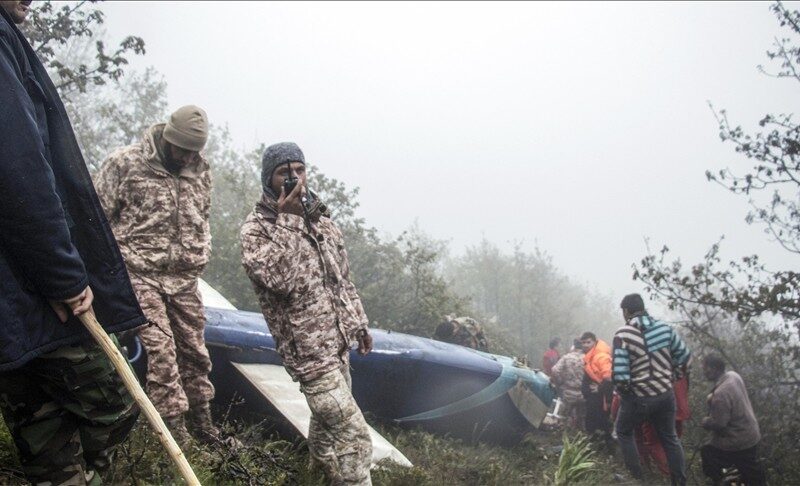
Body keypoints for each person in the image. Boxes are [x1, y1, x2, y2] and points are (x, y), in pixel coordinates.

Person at [0, 1, 146, 483]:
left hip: (15, 309)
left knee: (44, 434)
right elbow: (18, 172)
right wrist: (63, 275)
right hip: (36, 292)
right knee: (116, 404)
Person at [240, 142, 374, 485]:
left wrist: (358, 323)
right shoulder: (257, 229)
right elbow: (279, 280)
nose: (294, 178)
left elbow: (341, 278)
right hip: (308, 354)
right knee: (353, 436)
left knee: (329, 432)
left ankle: (313, 478)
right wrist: (288, 220)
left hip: (337, 344)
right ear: (268, 179)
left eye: (299, 170)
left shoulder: (321, 220)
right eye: (285, 173)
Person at [94, 106, 218, 445]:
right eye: (183, 149)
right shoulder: (125, 164)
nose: (187, 157)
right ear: (168, 138)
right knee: (161, 351)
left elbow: (201, 216)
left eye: (195, 151)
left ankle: (204, 427)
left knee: (195, 352)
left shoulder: (200, 170)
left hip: (184, 280)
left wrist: (200, 250)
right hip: (139, 273)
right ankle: (175, 435)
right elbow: (97, 219)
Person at [612, 293, 690, 485]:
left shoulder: (623, 335)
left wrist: (627, 395)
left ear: (626, 311)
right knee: (670, 438)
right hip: (665, 394)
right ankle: (679, 481)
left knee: (623, 431)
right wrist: (671, 378)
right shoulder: (665, 329)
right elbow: (685, 357)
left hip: (639, 397)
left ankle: (636, 478)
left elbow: (620, 376)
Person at [700, 354, 766, 486]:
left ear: (714, 369)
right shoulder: (733, 376)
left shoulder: (721, 393)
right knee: (751, 471)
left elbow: (719, 423)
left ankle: (720, 480)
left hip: (738, 440)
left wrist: (706, 422)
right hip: (751, 432)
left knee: (707, 452)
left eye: (706, 369)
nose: (704, 372)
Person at [580, 331, 613, 438]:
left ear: (594, 342)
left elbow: (608, 377)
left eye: (588, 342)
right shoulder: (589, 357)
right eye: (583, 343)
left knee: (601, 423)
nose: (585, 345)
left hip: (601, 397)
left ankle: (606, 448)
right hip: (593, 397)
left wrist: (600, 388)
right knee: (593, 421)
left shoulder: (601, 356)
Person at [550, 339, 586, 428]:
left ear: (573, 346)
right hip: (583, 393)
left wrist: (559, 382)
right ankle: (580, 436)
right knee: (581, 418)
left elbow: (554, 370)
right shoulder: (587, 358)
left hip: (569, 391)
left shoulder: (566, 357)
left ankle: (564, 436)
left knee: (565, 417)